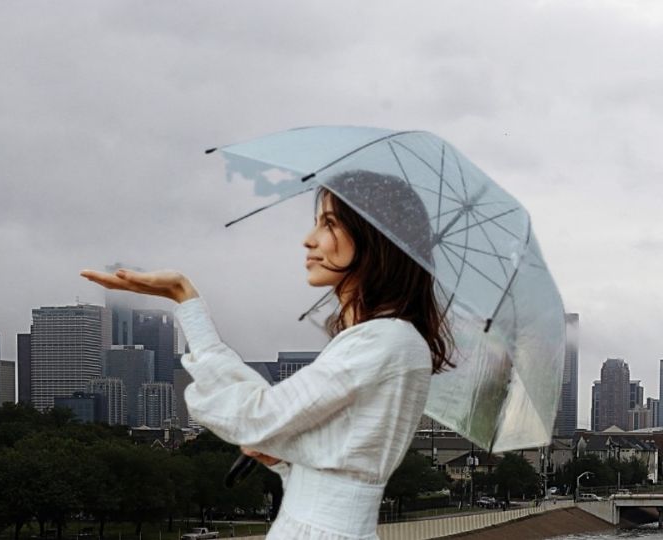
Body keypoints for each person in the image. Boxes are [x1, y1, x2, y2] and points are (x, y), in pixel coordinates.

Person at [80, 170, 453, 540]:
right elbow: (340, 474)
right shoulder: (386, 340)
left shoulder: (382, 342)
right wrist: (283, 461)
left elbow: (255, 416)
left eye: (328, 224)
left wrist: (185, 298)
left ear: (374, 239)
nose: (309, 240)